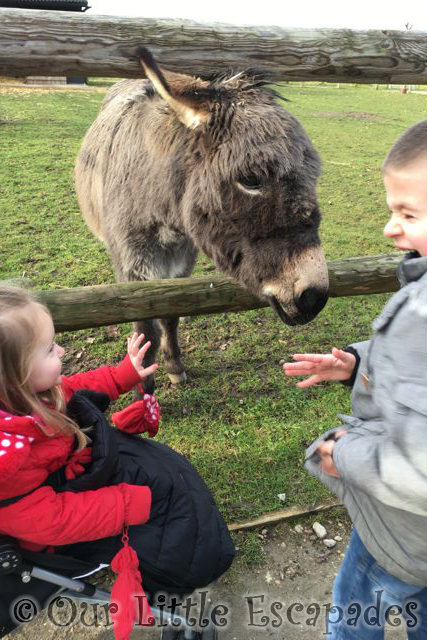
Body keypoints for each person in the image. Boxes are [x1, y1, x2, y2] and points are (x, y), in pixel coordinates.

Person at [0, 285, 235, 639]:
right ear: (14, 376)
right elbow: (48, 521)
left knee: (169, 483)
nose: (62, 350)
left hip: (79, 482)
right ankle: (174, 583)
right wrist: (125, 503)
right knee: (169, 515)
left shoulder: (25, 399)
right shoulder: (9, 466)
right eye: (50, 349)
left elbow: (72, 388)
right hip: (60, 543)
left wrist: (122, 375)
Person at [283, 120, 427, 639]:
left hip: (404, 533)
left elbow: (421, 471)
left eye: (407, 214)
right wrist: (358, 365)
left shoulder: (421, 314)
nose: (391, 228)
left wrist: (341, 454)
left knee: (355, 609)